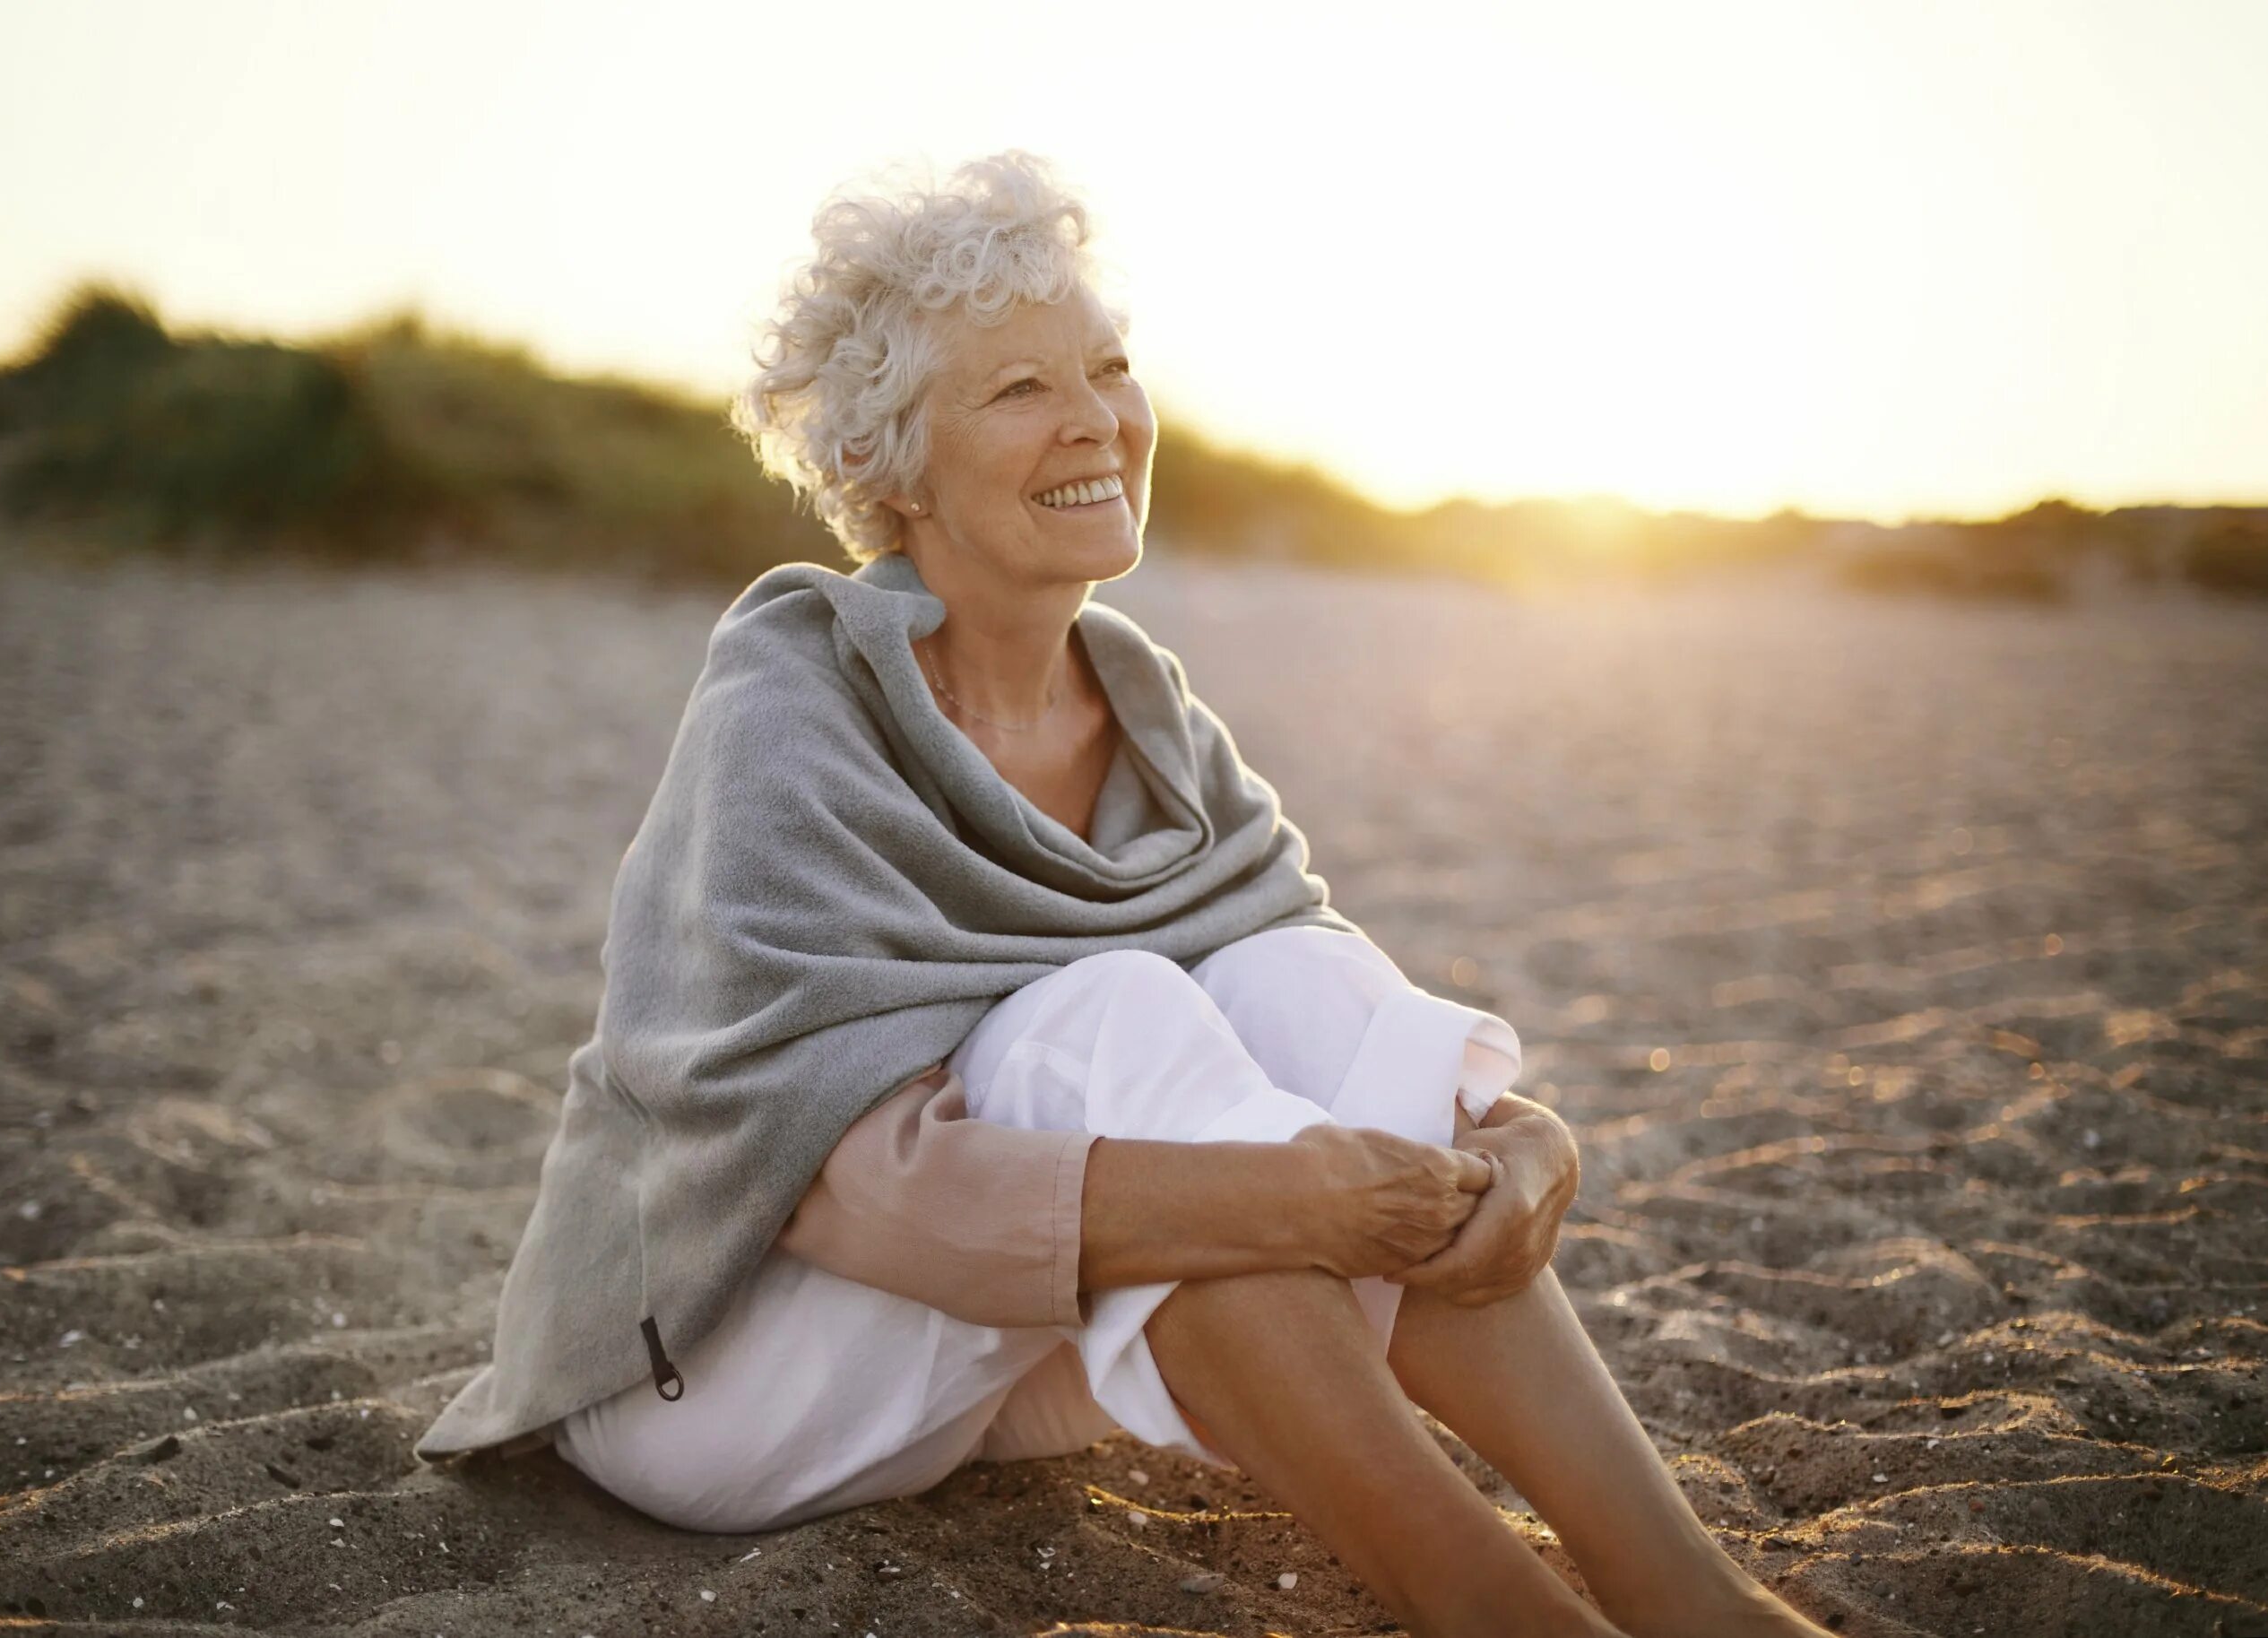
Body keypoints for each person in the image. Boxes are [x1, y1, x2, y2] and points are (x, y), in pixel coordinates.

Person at [418, 151, 1831, 1638]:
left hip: (992, 1357)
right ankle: (1494, 1609)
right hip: (712, 1368)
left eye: (1107, 367)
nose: (1097, 418)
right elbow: (846, 1194)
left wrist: (1523, 1153)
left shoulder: (1147, 712)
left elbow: (1333, 1024)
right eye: (1019, 390)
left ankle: (1685, 1594)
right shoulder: (792, 704)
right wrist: (1289, 1195)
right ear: (891, 469)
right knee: (1100, 1012)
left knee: (1280, 977)